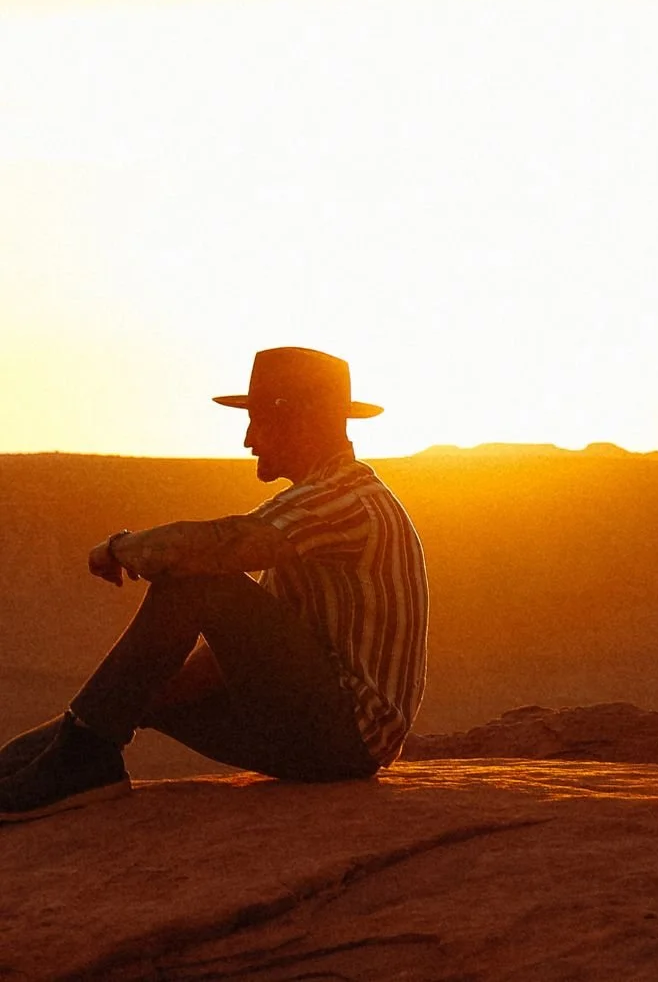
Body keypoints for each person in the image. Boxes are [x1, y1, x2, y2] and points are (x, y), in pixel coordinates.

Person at [0, 346, 429, 823]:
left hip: (346, 736)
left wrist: (120, 548)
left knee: (199, 581)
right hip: (323, 736)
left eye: (258, 420)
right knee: (132, 699)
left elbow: (216, 548)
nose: (248, 440)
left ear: (300, 420)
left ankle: (81, 759)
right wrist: (127, 702)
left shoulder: (344, 500)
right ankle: (58, 759)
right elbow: (243, 649)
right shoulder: (317, 506)